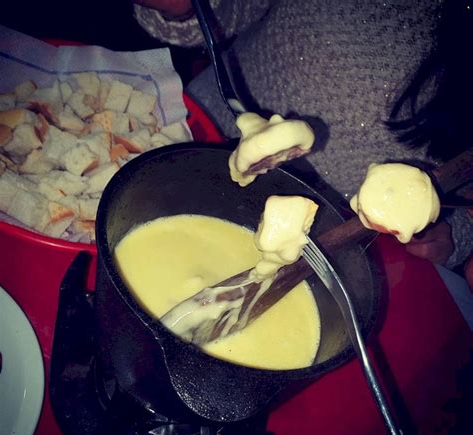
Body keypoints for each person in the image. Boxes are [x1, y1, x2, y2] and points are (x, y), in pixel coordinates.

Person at [132, 0, 472, 277]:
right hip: (199, 131)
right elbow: (229, 11)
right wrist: (185, 9)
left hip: (334, 242)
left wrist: (455, 234)